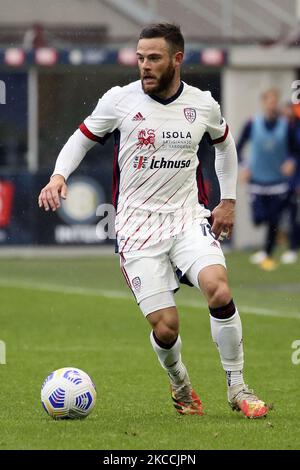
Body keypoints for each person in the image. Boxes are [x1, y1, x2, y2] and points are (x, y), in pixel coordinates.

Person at [38, 23, 268, 419]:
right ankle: (181, 386)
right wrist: (60, 175)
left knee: (217, 288)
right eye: (140, 57)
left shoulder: (202, 105)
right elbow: (81, 138)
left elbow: (225, 144)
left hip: (186, 219)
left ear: (177, 59)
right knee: (167, 328)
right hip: (137, 229)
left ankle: (238, 389)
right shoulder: (119, 101)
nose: (144, 66)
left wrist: (227, 201)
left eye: (154, 58)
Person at [237, 88, 291, 271]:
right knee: (259, 218)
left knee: (274, 221)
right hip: (257, 181)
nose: (272, 104)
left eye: (275, 101)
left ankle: (267, 254)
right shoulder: (253, 123)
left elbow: (295, 150)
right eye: (269, 101)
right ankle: (268, 249)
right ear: (263, 103)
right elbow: (238, 147)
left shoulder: (286, 125)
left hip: (278, 181)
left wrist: (291, 161)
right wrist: (244, 167)